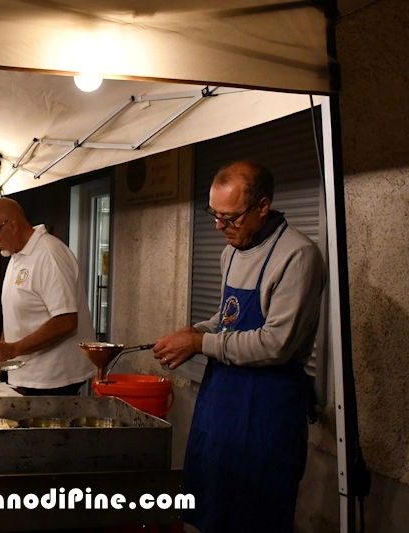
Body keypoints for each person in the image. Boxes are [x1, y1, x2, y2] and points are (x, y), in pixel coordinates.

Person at [152, 161, 326, 533]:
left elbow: (275, 344)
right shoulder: (230, 252)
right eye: (214, 214)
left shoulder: (298, 256)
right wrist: (192, 332)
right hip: (221, 400)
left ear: (263, 206)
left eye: (230, 217)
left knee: (255, 512)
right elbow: (228, 318)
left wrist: (200, 342)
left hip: (267, 407)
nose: (219, 226)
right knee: (212, 503)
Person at [0, 197, 95, 395]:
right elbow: (17, 316)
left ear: (12, 225)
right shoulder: (17, 255)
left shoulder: (49, 255)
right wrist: (1, 361)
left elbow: (66, 321)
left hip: (54, 379)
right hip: (29, 375)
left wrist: (13, 349)